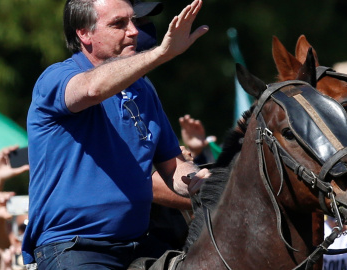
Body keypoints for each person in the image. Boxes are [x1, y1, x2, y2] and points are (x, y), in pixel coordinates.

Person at [22, 0, 210, 268]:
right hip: (75, 246)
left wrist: (197, 181)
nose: (134, 31)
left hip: (138, 246)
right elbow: (92, 89)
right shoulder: (57, 77)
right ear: (83, 33)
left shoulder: (144, 89)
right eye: (119, 24)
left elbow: (172, 167)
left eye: (133, 21)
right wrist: (161, 53)